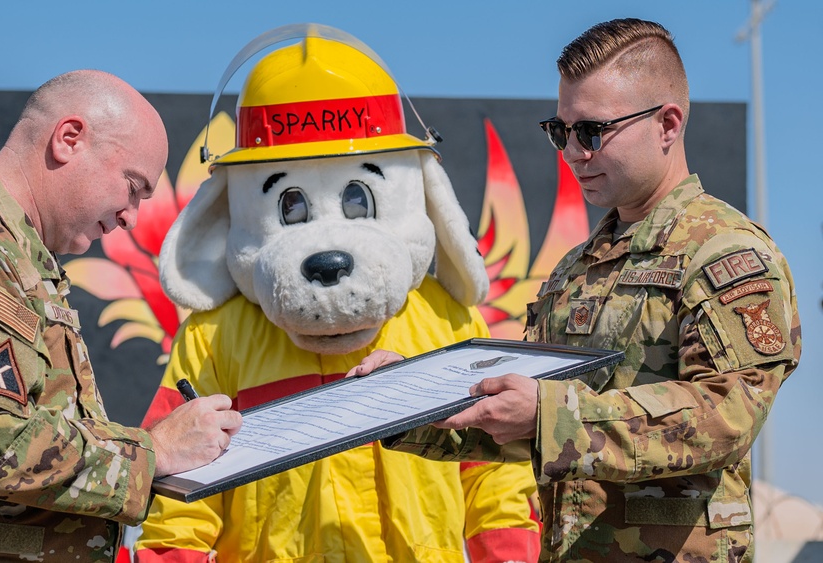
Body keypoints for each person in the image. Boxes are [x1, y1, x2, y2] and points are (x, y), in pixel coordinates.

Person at [353, 18, 801, 562]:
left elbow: (725, 415)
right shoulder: (575, 271)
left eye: (591, 131)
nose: (571, 152)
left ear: (668, 124)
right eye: (560, 131)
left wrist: (549, 414)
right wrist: (404, 405)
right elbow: (522, 429)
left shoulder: (725, 254)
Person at [134, 30, 542, 562]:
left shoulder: (449, 323)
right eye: (291, 207)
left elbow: (496, 483)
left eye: (358, 198)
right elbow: (176, 503)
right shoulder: (214, 338)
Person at [0, 70, 242, 562]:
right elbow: (1, 447)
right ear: (69, 139)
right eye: (133, 185)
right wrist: (155, 453)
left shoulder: (10, 258)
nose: (132, 217)